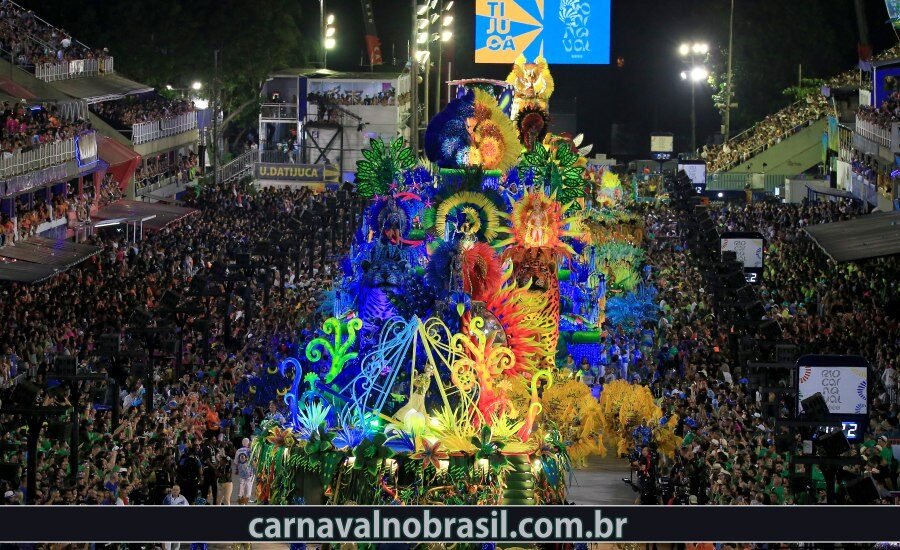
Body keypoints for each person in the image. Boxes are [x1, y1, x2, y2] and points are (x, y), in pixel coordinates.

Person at [234, 437, 254, 505]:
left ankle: (240, 497)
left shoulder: (238, 450)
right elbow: (252, 461)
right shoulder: (249, 450)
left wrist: (236, 470)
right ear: (248, 443)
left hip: (241, 470)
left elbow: (236, 462)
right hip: (249, 470)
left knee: (241, 483)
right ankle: (247, 498)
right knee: (249, 484)